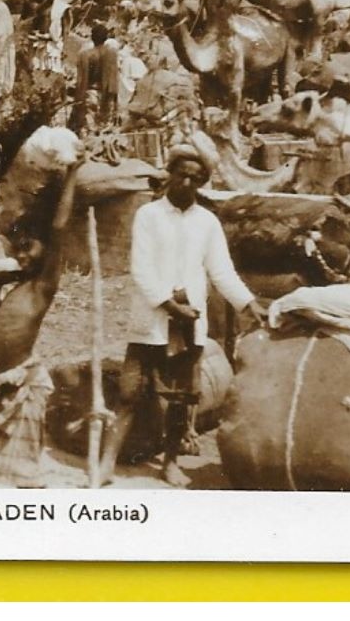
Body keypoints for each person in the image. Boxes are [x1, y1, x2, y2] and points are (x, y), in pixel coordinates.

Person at [101, 144, 266, 486]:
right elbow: (141, 269)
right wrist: (169, 304)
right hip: (151, 320)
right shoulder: (148, 216)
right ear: (170, 174)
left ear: (202, 181)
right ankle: (105, 463)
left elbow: (221, 271)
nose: (187, 182)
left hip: (189, 323)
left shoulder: (207, 223)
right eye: (182, 174)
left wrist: (247, 303)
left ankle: (170, 463)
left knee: (182, 399)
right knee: (129, 393)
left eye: (195, 177)